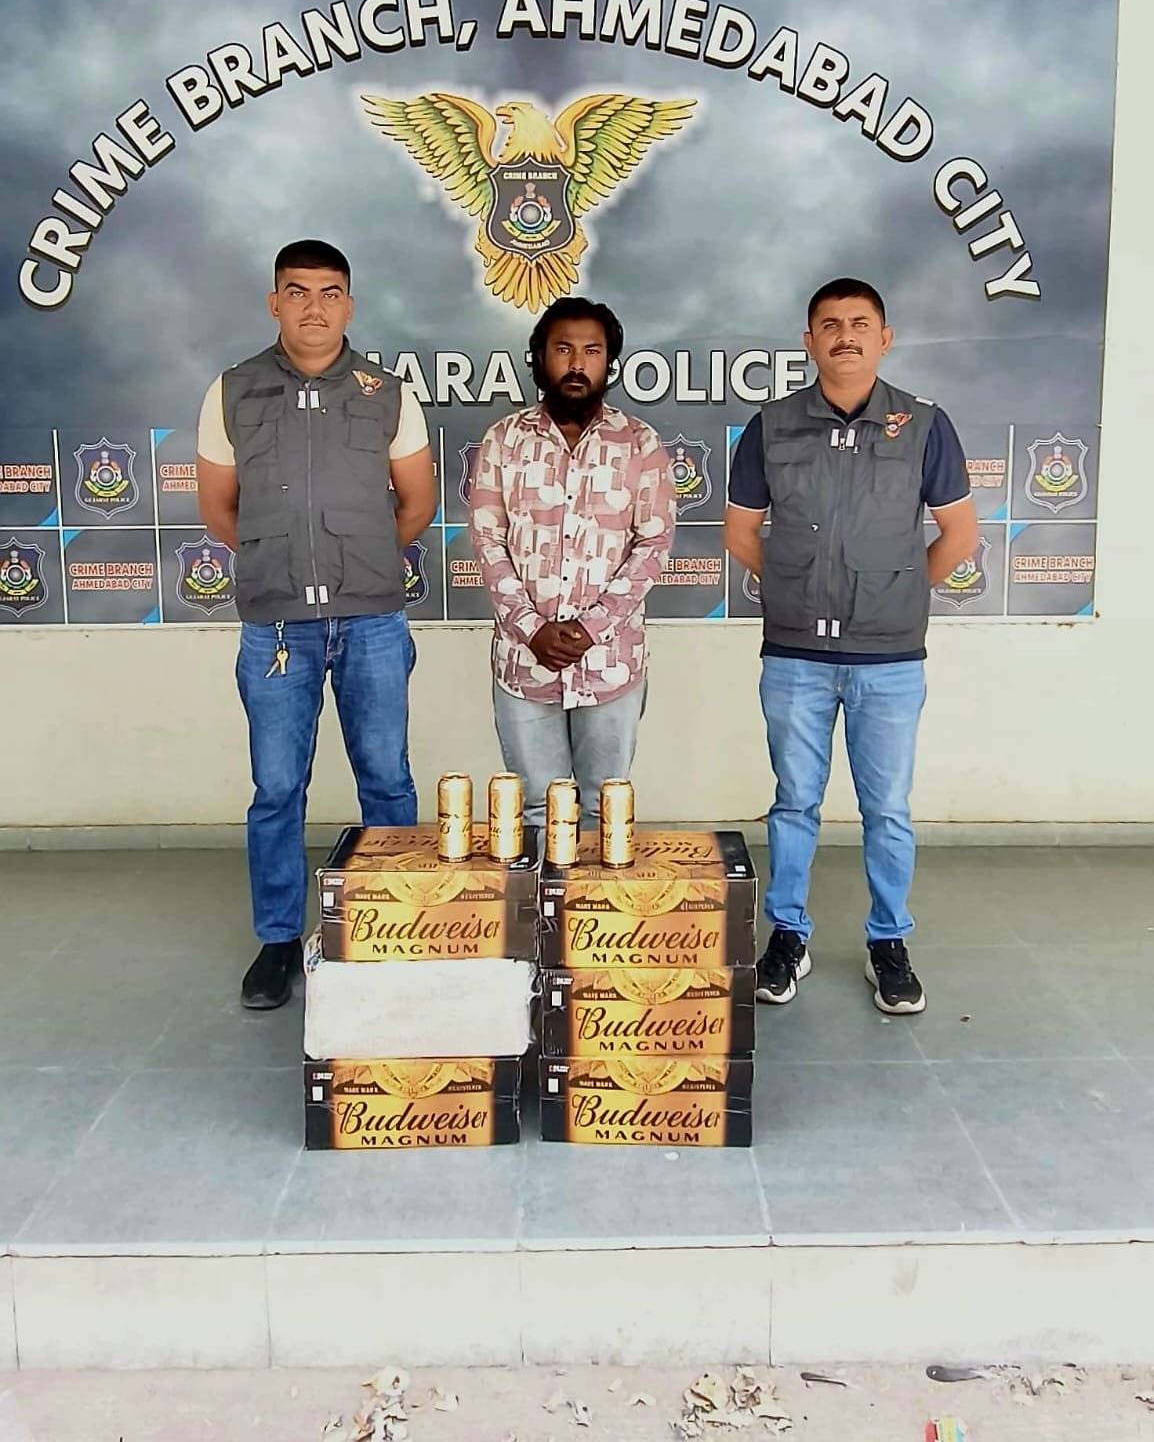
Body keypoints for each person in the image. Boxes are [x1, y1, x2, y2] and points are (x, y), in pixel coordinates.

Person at [724, 278, 978, 1016]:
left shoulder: (924, 426)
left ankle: (888, 942)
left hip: (889, 660)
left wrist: (899, 593)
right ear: (809, 342)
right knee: (793, 803)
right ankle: (787, 937)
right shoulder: (771, 426)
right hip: (796, 655)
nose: (845, 335)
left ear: (884, 338)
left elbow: (960, 535)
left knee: (887, 809)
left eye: (860, 323)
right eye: (830, 325)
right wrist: (795, 589)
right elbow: (741, 532)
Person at [197, 239, 436, 1008]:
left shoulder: (387, 392)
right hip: (276, 629)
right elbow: (219, 509)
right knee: (276, 788)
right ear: (274, 303)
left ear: (349, 306)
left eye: (330, 293)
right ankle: (278, 942)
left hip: (371, 621)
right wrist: (280, 567)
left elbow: (417, 502)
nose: (313, 308)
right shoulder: (232, 391)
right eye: (297, 292)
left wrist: (359, 563)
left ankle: (394, 926)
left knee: (387, 780)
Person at [468, 297, 676, 828]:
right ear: (538, 357)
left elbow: (653, 545)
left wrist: (591, 628)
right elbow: (488, 543)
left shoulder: (640, 444)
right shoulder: (503, 441)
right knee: (539, 812)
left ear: (610, 363)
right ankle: (547, 891)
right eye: (563, 349)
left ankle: (592, 892)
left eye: (592, 351)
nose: (577, 364)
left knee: (604, 813)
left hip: (609, 664)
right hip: (524, 661)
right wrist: (531, 628)